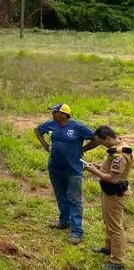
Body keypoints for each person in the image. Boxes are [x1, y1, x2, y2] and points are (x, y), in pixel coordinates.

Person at [34, 103, 99, 244]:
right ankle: (64, 221)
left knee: (74, 200)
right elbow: (37, 130)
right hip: (55, 168)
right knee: (61, 197)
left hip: (73, 170)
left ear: (64, 114)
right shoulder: (51, 124)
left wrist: (84, 149)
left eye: (55, 112)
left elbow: (96, 139)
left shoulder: (77, 127)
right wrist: (45, 145)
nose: (52, 114)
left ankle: (76, 231)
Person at [84, 126, 131, 270]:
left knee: (115, 227)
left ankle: (117, 260)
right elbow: (108, 168)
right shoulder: (115, 147)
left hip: (115, 193)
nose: (102, 145)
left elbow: (113, 178)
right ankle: (109, 247)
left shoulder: (119, 155)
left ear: (108, 139)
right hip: (108, 191)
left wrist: (94, 171)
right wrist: (98, 166)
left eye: (102, 143)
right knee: (108, 221)